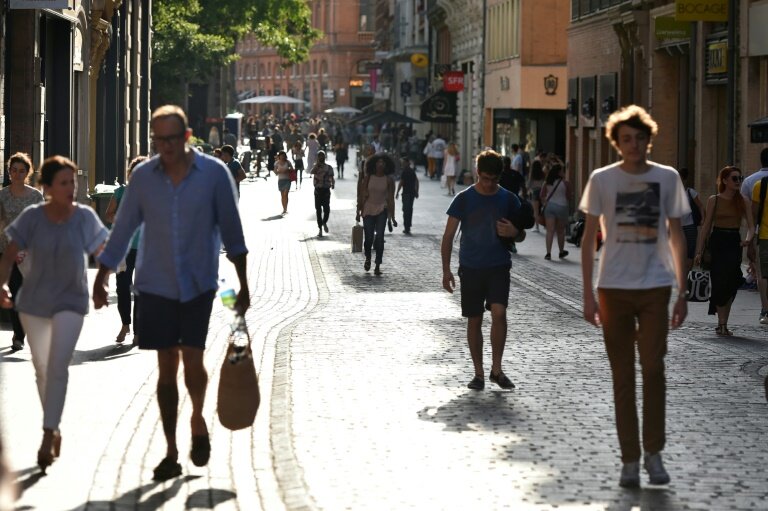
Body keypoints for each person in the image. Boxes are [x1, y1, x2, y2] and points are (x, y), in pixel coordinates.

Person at [92, 105, 249, 481]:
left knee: (193, 360)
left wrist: (243, 284)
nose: (165, 146)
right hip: (155, 284)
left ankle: (197, 418)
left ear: (187, 136)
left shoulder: (214, 175)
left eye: (172, 138)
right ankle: (171, 451)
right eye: (158, 139)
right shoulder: (143, 178)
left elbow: (232, 230)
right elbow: (122, 228)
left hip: (198, 283)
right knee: (166, 367)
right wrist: (102, 276)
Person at [580, 105, 689, 488]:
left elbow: (677, 236)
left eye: (639, 138)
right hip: (613, 288)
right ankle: (630, 460)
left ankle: (654, 454)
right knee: (622, 376)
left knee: (654, 369)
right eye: (626, 139)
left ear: (648, 140)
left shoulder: (667, 177)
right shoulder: (602, 179)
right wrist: (588, 295)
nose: (633, 145)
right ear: (617, 142)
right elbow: (588, 239)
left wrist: (682, 291)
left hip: (656, 286)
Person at [0, 155, 109, 473]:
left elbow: (103, 250)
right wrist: (3, 284)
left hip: (71, 301)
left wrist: (102, 281)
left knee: (58, 366)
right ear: (47, 187)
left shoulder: (84, 217)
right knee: (42, 369)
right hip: (34, 303)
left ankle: (48, 433)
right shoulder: (32, 217)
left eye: (72, 181)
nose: (71, 187)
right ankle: (54, 424)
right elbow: (9, 254)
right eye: (64, 183)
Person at [440, 149, 521, 391]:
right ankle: (479, 373)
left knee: (499, 313)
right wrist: (446, 270)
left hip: (498, 266)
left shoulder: (508, 199)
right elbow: (448, 236)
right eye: (485, 178)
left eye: (494, 180)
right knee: (474, 319)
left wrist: (515, 232)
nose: (489, 184)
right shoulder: (463, 199)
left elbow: (521, 232)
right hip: (471, 267)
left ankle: (497, 370)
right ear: (477, 173)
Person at [694, 166, 754, 336]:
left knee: (732, 282)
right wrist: (699, 251)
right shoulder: (714, 200)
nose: (738, 181)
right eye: (734, 178)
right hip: (718, 242)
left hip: (734, 242)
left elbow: (751, 226)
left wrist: (748, 239)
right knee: (719, 282)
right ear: (725, 180)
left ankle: (723, 323)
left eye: (740, 178)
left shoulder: (743, 201)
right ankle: (722, 324)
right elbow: (706, 227)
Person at [0, 152, 43, 351]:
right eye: (14, 170)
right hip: (6, 250)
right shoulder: (2, 195)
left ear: (28, 173)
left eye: (21, 171)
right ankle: (19, 335)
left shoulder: (35, 196)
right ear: (9, 172)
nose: (17, 174)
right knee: (14, 291)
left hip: (29, 251)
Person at [104, 156, 148, 344]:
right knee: (122, 287)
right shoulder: (121, 192)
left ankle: (138, 331)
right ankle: (125, 324)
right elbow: (108, 215)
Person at [741, 147, 768, 324]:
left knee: (763, 274)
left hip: (764, 235)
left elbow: (752, 215)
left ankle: (765, 310)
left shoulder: (755, 183)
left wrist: (750, 240)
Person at [357, 153, 396, 276]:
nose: (380, 164)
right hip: (368, 209)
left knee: (379, 237)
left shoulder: (388, 180)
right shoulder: (368, 177)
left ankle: (378, 264)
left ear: (386, 165)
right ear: (374, 165)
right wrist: (358, 211)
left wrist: (392, 217)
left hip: (382, 210)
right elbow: (362, 195)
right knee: (368, 238)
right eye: (378, 162)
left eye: (383, 162)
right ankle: (368, 258)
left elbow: (391, 199)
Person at [540, 162, 572, 260]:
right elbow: (569, 197)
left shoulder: (547, 182)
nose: (564, 172)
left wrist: (545, 202)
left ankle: (548, 253)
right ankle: (561, 252)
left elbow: (541, 195)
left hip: (550, 207)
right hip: (562, 207)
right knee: (560, 231)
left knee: (549, 231)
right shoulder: (566, 183)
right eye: (562, 171)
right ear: (559, 172)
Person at [678, 167, 705, 272]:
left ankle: (686, 275)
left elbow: (700, 206)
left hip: (690, 226)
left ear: (684, 180)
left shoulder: (690, 192)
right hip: (676, 227)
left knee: (690, 251)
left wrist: (703, 218)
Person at [311, 151, 335, 237]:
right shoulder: (315, 167)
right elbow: (311, 172)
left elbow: (332, 177)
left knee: (326, 209)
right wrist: (317, 165)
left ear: (325, 157)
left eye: (322, 156)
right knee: (318, 210)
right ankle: (320, 229)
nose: (321, 158)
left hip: (326, 190)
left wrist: (333, 184)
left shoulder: (329, 167)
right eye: (319, 156)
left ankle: (324, 222)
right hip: (318, 190)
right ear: (317, 158)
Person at [396, 156, 419, 235]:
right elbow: (416, 181)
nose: (402, 164)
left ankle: (406, 227)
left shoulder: (404, 172)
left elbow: (401, 182)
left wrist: (397, 192)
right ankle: (408, 226)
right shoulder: (412, 171)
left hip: (406, 193)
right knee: (409, 209)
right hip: (412, 193)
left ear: (406, 163)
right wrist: (416, 191)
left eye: (403, 162)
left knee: (406, 210)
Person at [527, 158, 546, 233]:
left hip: (535, 192)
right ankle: (545, 225)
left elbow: (529, 184)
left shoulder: (532, 174)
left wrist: (529, 190)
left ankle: (537, 227)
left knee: (536, 211)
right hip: (542, 192)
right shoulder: (543, 174)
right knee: (543, 209)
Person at [274, 150, 294, 215]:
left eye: (284, 156)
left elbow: (292, 169)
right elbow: (275, 172)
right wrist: (280, 171)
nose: (283, 157)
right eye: (281, 156)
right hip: (280, 180)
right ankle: (284, 208)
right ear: (279, 156)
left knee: (286, 194)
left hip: (287, 180)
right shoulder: (277, 163)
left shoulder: (288, 162)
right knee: (282, 195)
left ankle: (286, 208)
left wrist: (287, 170)